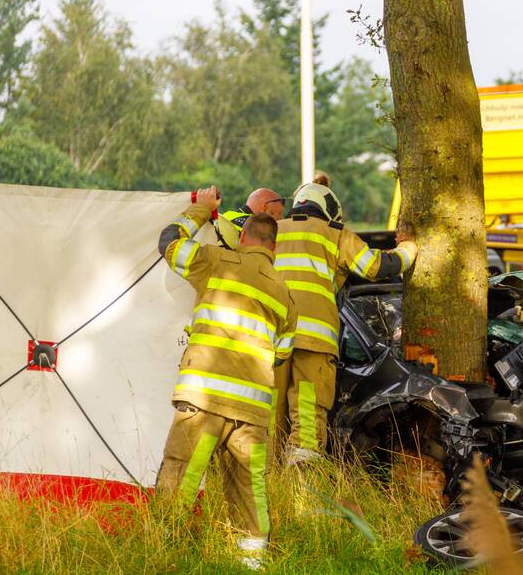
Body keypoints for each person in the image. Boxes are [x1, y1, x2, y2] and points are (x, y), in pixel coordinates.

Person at [155, 186, 297, 569]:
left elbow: (169, 243)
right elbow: (282, 355)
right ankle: (252, 563)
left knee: (182, 476)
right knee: (249, 491)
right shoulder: (284, 294)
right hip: (250, 415)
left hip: (203, 403)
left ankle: (166, 555)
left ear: (245, 237)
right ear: (275, 248)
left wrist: (200, 209)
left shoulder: (217, 261)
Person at [273, 183, 417, 466]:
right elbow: (375, 267)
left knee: (268, 419)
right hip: (312, 344)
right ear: (330, 210)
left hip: (270, 343)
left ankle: (264, 492)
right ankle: (303, 494)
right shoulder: (334, 233)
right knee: (306, 414)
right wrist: (408, 250)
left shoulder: (272, 231)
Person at [221, 188, 287, 236]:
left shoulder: (226, 216)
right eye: (280, 213)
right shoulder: (259, 227)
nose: (281, 218)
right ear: (265, 207)